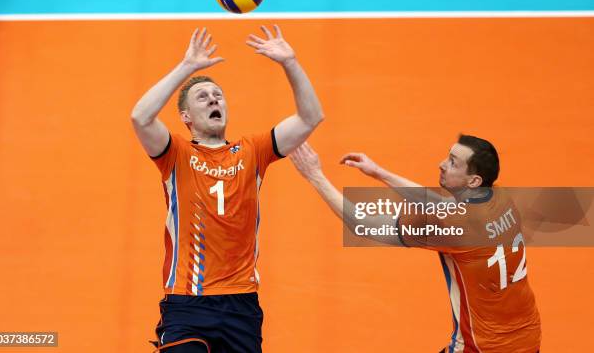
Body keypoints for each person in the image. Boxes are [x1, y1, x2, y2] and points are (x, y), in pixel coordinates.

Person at [131, 25, 324, 353]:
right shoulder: (175, 154)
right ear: (186, 117)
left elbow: (310, 117)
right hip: (187, 302)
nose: (213, 99)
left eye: (217, 95)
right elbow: (140, 117)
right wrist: (187, 68)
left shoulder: (253, 150)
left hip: (241, 304)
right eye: (202, 97)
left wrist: (290, 62)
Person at [289, 137, 541, 353]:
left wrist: (315, 176)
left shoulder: (452, 228)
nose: (441, 164)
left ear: (474, 181)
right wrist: (380, 173)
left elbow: (361, 223)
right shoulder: (501, 198)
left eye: (453, 162)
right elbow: (440, 207)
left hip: (480, 346)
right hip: (527, 338)